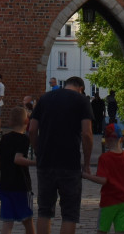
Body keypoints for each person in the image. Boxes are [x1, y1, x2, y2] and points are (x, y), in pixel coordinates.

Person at [30, 74, 94, 234]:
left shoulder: (44, 99)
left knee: (44, 211)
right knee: (69, 214)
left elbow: (31, 129)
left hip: (46, 162)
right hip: (70, 163)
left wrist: (38, 151)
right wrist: (86, 164)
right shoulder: (81, 101)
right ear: (81, 89)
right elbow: (87, 133)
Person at [84, 123, 124, 234]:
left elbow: (103, 180)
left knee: (102, 230)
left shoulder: (104, 158)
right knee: (121, 230)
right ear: (121, 139)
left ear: (106, 140)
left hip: (108, 201)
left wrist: (85, 175)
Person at [0, 105, 35, 234]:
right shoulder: (24, 139)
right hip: (21, 185)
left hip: (6, 185)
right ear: (26, 122)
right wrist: (35, 162)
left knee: (8, 221)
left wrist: (4, 169)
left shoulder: (5, 138)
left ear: (10, 122)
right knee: (28, 220)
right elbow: (18, 159)